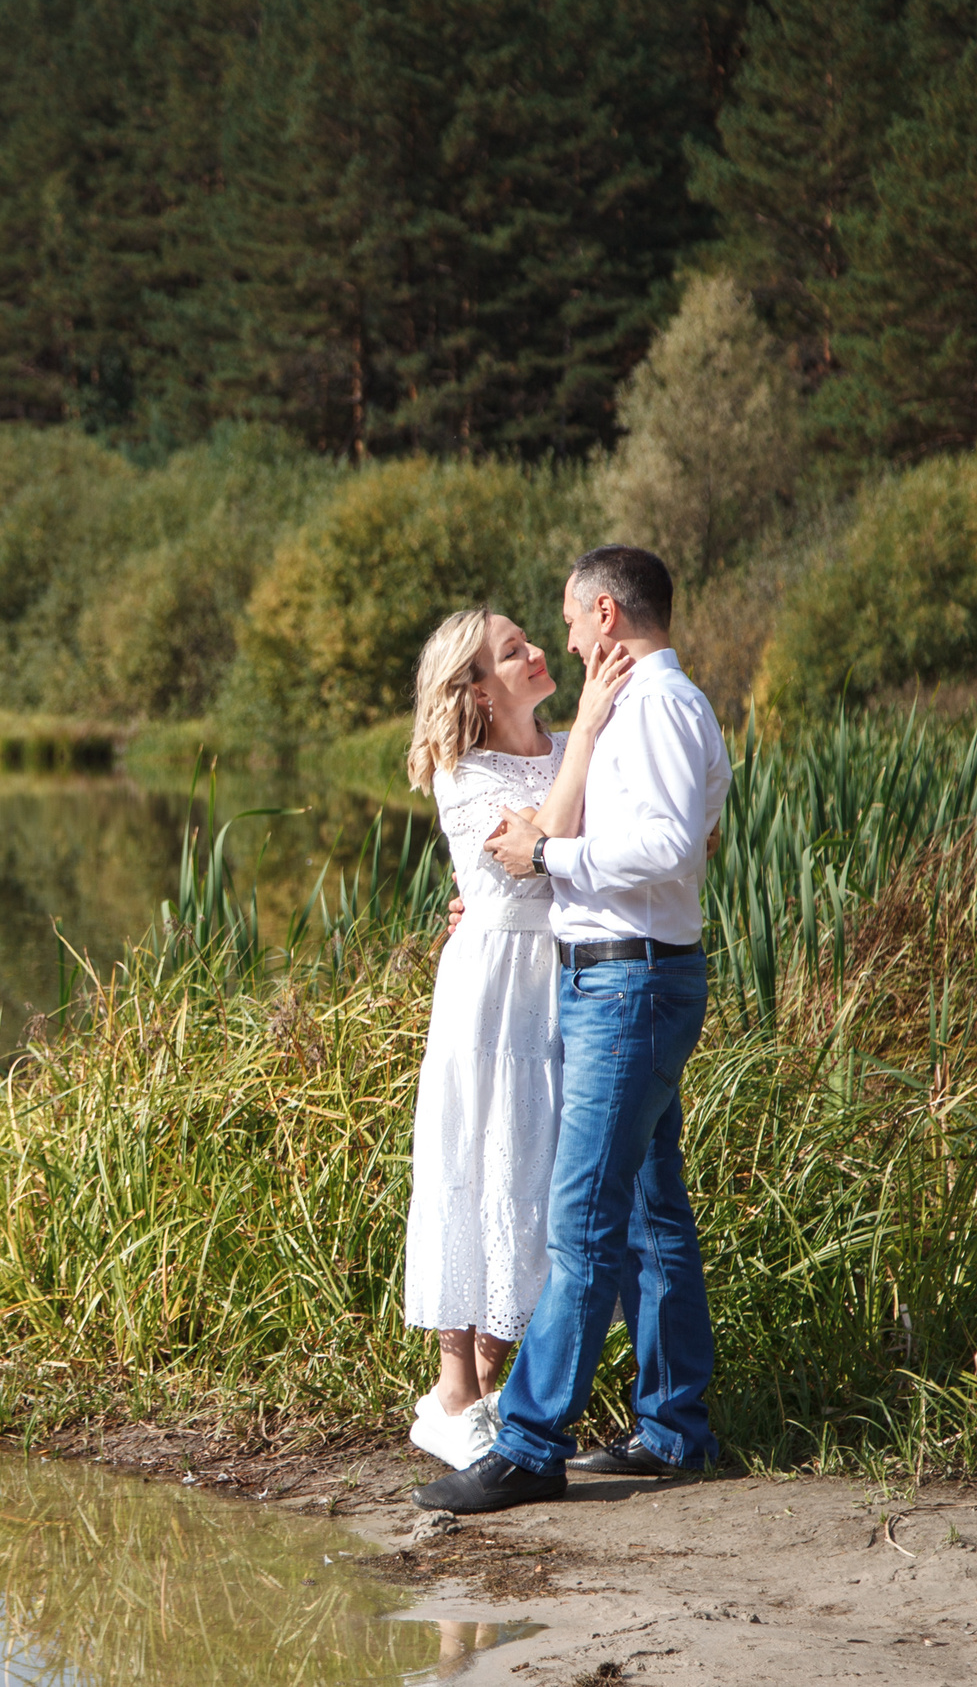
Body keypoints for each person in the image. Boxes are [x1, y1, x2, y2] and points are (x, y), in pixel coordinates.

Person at [412, 544, 733, 1513]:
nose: (553, 641)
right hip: (591, 978)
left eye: (558, 620)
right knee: (642, 1210)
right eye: (517, 646)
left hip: (626, 980)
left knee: (582, 1217)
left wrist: (553, 853)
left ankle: (530, 1441)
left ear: (602, 613)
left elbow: (676, 841)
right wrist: (533, 867)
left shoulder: (658, 706)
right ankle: (671, 1429)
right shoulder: (635, 710)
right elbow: (678, 830)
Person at [399, 607, 637, 1469]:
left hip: (564, 985)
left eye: (531, 640)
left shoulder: (576, 740)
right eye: (513, 651)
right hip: (490, 996)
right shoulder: (462, 773)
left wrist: (592, 729)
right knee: (477, 1169)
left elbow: (590, 838)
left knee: (538, 1180)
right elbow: (533, 845)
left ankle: (485, 1393)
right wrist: (590, 729)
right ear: (476, 687)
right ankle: (455, 1391)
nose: (537, 652)